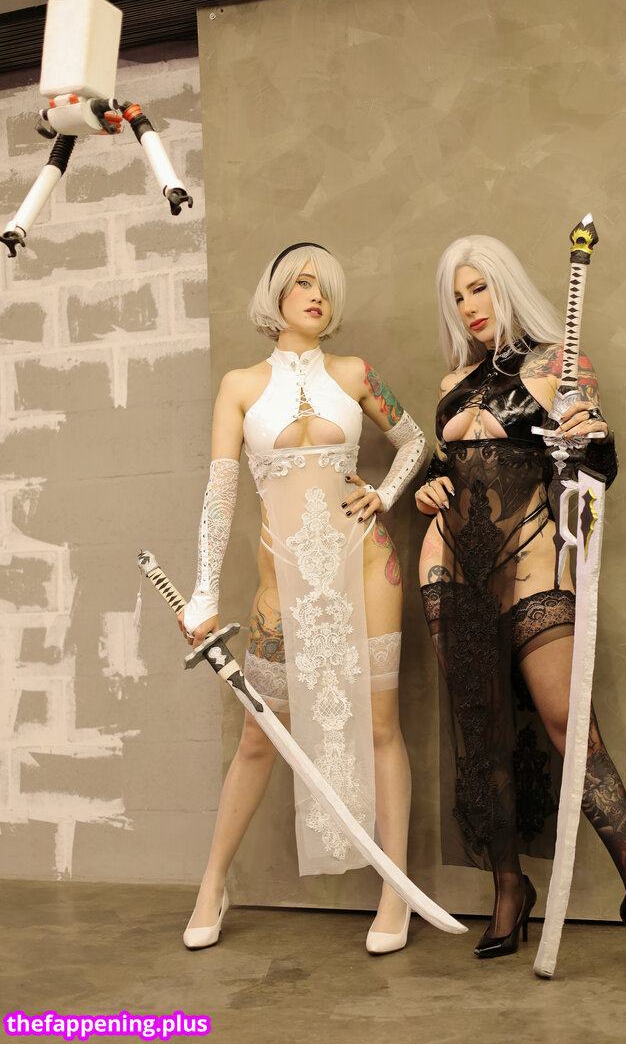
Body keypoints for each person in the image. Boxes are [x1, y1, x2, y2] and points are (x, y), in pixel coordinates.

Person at [415, 234, 626, 979]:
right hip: (451, 563)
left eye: (479, 288)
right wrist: (431, 482)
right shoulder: (453, 380)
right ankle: (509, 891)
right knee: (481, 735)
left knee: (571, 727)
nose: (469, 307)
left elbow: (596, 468)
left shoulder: (560, 364)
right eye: (457, 295)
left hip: (533, 558)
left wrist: (591, 438)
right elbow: (452, 468)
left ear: (504, 285)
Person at [179, 242, 425, 955]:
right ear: (277, 295)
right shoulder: (240, 386)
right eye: (303, 283)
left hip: (367, 564)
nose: (317, 295)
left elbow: (413, 442)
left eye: (326, 286)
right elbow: (220, 495)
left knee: (381, 726)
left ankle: (395, 891)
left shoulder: (354, 373)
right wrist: (202, 591)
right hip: (282, 580)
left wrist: (385, 494)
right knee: (261, 735)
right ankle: (212, 884)